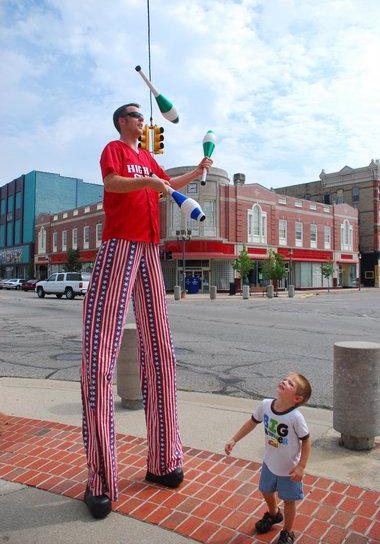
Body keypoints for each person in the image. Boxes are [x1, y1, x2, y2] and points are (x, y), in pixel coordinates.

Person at [81, 103, 212, 519]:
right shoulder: (115, 150)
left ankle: (164, 461)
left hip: (150, 250)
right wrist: (149, 183)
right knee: (101, 358)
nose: (143, 120)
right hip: (119, 243)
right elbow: (114, 184)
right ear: (123, 122)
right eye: (137, 116)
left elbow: (165, 185)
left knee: (162, 354)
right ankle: (100, 480)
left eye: (142, 116)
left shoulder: (147, 157)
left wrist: (195, 172)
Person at [225, 373, 312, 544]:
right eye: (285, 379)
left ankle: (287, 532)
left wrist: (301, 466)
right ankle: (274, 514)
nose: (284, 382)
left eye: (290, 384)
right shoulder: (265, 405)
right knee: (265, 490)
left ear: (296, 398)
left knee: (289, 501)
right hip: (270, 463)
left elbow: (306, 441)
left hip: (289, 470)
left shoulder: (295, 417)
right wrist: (234, 439)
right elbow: (252, 422)